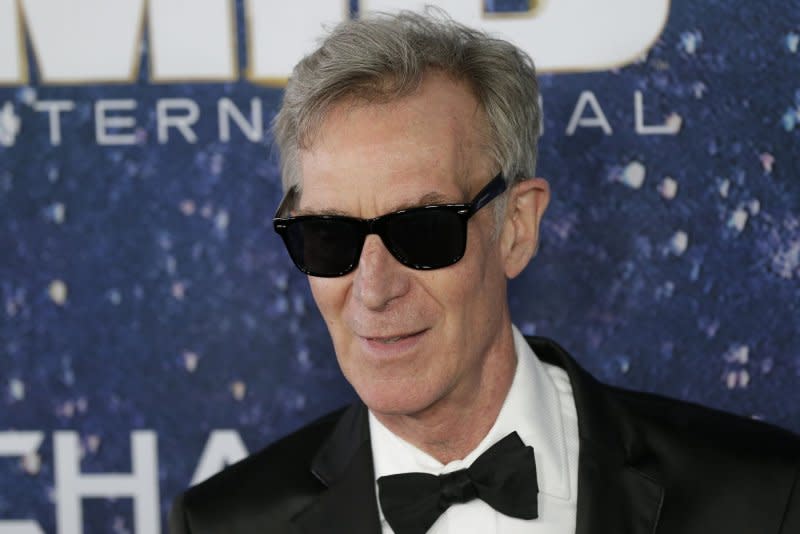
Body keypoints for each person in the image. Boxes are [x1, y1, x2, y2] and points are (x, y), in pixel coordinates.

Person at [169, 9, 799, 534]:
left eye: (422, 230)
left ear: (517, 228)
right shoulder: (222, 524)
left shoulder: (762, 499)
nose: (373, 289)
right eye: (329, 237)